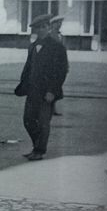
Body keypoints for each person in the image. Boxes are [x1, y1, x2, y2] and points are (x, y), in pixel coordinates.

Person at [15, 12, 68, 161]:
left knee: (43, 122)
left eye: (44, 27)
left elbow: (61, 71)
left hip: (47, 93)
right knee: (28, 120)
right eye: (38, 28)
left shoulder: (57, 47)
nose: (41, 30)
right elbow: (28, 67)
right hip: (33, 91)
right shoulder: (33, 46)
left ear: (49, 27)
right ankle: (36, 146)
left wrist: (52, 91)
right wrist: (23, 85)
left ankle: (39, 151)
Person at [49, 15, 67, 115]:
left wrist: (66, 66)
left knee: (58, 87)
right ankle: (51, 109)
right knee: (53, 87)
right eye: (57, 23)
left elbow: (64, 53)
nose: (59, 25)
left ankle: (53, 108)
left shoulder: (61, 36)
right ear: (53, 24)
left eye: (60, 23)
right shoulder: (50, 36)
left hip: (61, 67)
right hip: (53, 67)